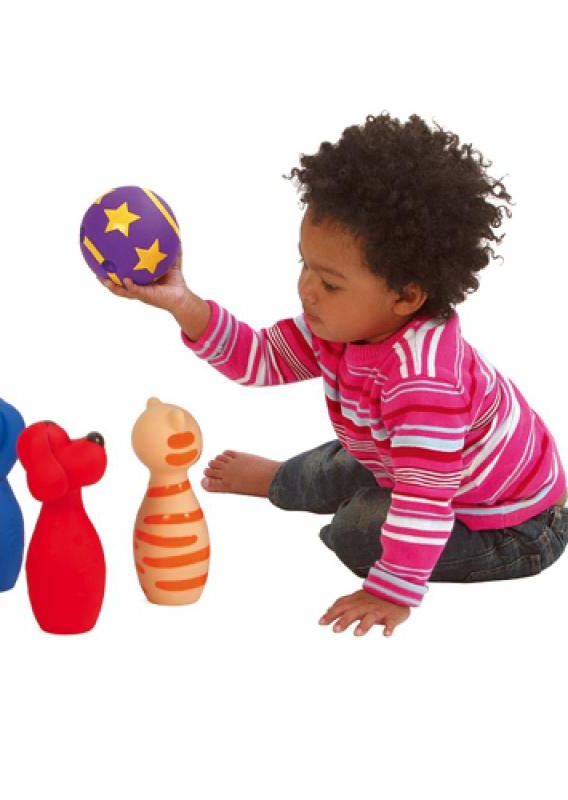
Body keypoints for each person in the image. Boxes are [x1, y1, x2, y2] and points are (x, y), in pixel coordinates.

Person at [100, 112, 568, 637]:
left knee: (356, 532)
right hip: (413, 465)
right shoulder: (343, 325)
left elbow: (424, 500)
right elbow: (259, 358)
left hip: (513, 524)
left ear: (405, 296)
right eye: (304, 264)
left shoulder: (424, 385)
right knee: (346, 457)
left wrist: (389, 592)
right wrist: (182, 302)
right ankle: (285, 481)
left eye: (330, 282)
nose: (306, 289)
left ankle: (341, 505)